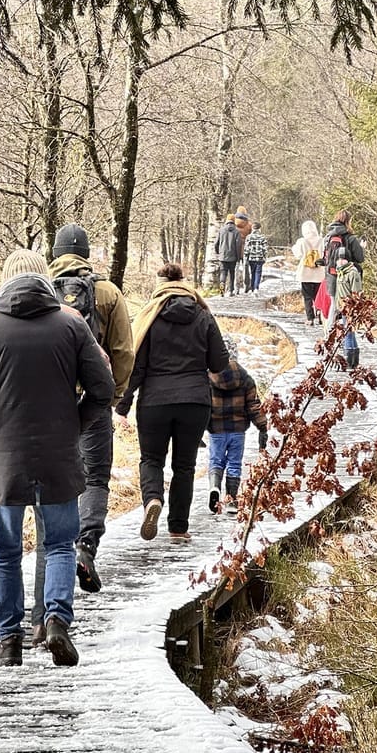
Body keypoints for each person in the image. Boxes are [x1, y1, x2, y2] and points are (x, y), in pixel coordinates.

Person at [0, 249, 114, 668]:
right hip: (59, 455)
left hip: (4, 460)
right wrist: (77, 422)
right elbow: (104, 388)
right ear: (46, 282)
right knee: (58, 544)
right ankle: (56, 619)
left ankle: (9, 641)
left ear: (4, 283)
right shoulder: (72, 326)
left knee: (5, 551)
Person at [43, 222, 135, 607]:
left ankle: (55, 553)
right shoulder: (107, 292)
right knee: (95, 476)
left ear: (56, 250)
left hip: (51, 402)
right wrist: (112, 396)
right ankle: (85, 544)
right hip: (93, 400)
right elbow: (124, 351)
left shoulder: (40, 288)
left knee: (53, 478)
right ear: (87, 253)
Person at [116, 262, 229, 542]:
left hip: (155, 400)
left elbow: (136, 367)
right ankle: (178, 527)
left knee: (152, 459)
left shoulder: (150, 317)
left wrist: (122, 406)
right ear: (183, 282)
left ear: (160, 284)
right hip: (195, 402)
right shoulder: (203, 315)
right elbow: (219, 362)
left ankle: (153, 499)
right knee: (185, 466)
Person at [207, 336, 266, 514]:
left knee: (216, 460)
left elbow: (202, 405)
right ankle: (231, 500)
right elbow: (253, 405)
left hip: (216, 429)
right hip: (238, 430)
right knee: (234, 464)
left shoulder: (208, 378)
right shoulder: (245, 378)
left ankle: (214, 488)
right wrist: (262, 426)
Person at [322, 209, 365, 326]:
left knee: (333, 304)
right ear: (348, 221)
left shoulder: (328, 237)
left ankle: (330, 332)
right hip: (346, 276)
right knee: (346, 306)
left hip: (331, 274)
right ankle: (343, 336)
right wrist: (362, 248)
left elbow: (324, 257)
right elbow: (360, 258)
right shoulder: (350, 238)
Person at [292, 219, 326, 325]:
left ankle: (310, 318)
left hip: (305, 273)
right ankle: (320, 315)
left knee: (307, 296)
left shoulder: (302, 241)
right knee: (318, 296)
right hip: (319, 273)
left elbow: (297, 255)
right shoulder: (322, 240)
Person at [334, 251, 363, 370]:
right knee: (349, 333)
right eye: (339, 259)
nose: (340, 261)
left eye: (343, 259)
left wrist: (353, 307)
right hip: (342, 306)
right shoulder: (340, 272)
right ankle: (353, 361)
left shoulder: (352, 273)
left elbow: (356, 292)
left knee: (348, 333)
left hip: (350, 307)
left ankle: (349, 360)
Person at [214, 213, 242, 296]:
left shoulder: (221, 230)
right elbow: (238, 245)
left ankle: (222, 290)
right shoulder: (236, 232)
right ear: (234, 221)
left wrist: (218, 253)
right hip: (233, 257)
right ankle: (231, 290)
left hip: (222, 257)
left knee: (223, 273)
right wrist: (238, 257)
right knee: (232, 273)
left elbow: (216, 243)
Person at [243, 221, 268, 294]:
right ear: (259, 229)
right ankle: (256, 288)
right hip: (260, 258)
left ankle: (253, 288)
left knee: (253, 273)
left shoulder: (249, 237)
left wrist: (246, 257)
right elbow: (265, 249)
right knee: (258, 273)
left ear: (252, 228)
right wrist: (265, 257)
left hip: (251, 258)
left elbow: (246, 249)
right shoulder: (263, 237)